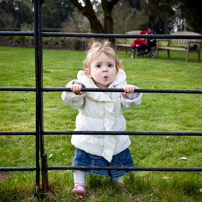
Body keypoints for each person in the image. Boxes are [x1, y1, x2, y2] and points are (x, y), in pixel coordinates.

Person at [61, 40, 142, 194]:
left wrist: (130, 93)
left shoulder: (120, 87)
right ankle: (79, 183)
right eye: (98, 66)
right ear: (89, 72)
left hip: (114, 133)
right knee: (81, 159)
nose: (105, 70)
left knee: (117, 157)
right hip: (89, 134)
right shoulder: (84, 87)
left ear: (116, 71)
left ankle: (117, 180)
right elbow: (72, 101)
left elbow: (130, 103)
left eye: (109, 65)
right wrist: (75, 90)